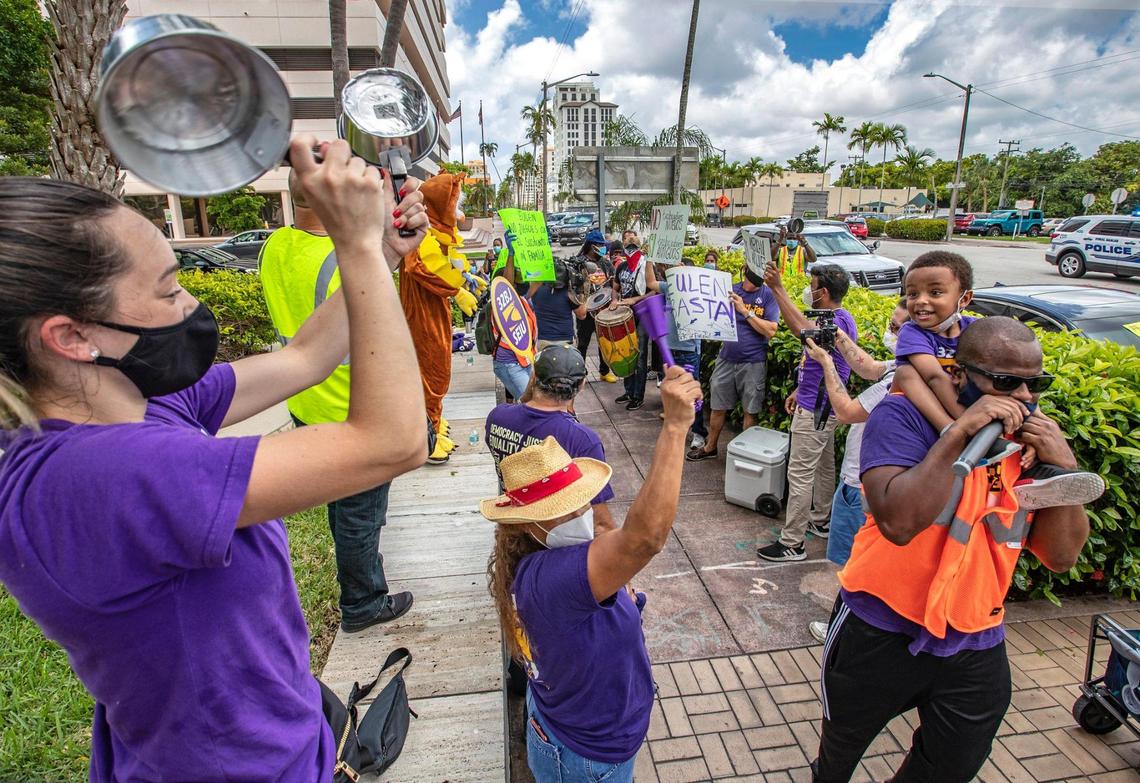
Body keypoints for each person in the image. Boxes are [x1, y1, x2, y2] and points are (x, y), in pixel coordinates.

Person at [0, 138, 429, 781]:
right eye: (170, 290)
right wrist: (361, 248)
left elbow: (303, 358)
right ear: (72, 336)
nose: (192, 309)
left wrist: (374, 251)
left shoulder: (136, 403)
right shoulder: (96, 477)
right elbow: (391, 442)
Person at [813, 316, 1098, 783]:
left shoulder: (1029, 446)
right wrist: (959, 433)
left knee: (951, 764)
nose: (1025, 398)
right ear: (959, 374)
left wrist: (1063, 463)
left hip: (975, 638)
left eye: (1035, 384)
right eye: (1007, 383)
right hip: (880, 626)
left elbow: (1061, 556)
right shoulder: (901, 415)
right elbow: (899, 523)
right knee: (840, 748)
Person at [480, 366, 703, 783]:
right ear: (530, 523)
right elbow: (644, 538)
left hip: (571, 728)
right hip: (585, 759)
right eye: (569, 507)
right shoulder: (554, 579)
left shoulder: (537, 556)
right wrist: (675, 427)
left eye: (582, 500)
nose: (584, 512)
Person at [260, 171, 414, 632]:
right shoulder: (344, 259)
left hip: (304, 403)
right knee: (362, 517)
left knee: (340, 503)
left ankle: (358, 576)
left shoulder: (276, 247)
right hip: (350, 409)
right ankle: (363, 602)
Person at [804, 298, 909, 643]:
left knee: (850, 563)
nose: (889, 332)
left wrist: (825, 362)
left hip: (860, 486)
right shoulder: (901, 368)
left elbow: (847, 411)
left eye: (895, 328)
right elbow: (869, 366)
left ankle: (842, 630)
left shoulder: (902, 382)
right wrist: (837, 339)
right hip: (860, 480)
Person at [759, 263, 856, 561]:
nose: (808, 291)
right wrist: (801, 387)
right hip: (821, 405)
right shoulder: (840, 318)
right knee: (824, 467)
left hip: (816, 410)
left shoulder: (834, 323)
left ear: (823, 292)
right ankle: (822, 519)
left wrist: (777, 289)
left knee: (800, 475)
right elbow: (828, 362)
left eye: (812, 286)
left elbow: (802, 331)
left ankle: (792, 543)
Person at [485, 345, 616, 533]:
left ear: (534, 377)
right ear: (582, 385)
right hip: (553, 540)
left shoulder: (497, 417)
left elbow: (524, 408)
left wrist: (529, 392)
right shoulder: (581, 439)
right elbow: (601, 524)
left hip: (510, 530)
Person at [685, 257, 779, 461]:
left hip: (753, 361)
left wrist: (745, 311)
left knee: (750, 410)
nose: (753, 280)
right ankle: (710, 447)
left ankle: (744, 455)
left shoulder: (768, 295)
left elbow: (771, 330)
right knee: (718, 405)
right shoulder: (731, 290)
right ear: (744, 269)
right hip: (726, 358)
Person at [892, 251, 977, 433]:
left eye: (935, 292)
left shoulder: (977, 330)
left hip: (970, 404)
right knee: (905, 373)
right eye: (913, 294)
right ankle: (948, 428)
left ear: (965, 299)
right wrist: (968, 423)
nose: (921, 301)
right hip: (937, 413)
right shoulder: (911, 331)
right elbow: (934, 377)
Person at [648, 257, 711, 446]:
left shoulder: (699, 291)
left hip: (688, 350)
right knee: (672, 392)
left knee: (691, 392)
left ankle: (699, 432)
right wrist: (650, 260)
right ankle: (676, 427)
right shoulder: (670, 288)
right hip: (669, 350)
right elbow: (651, 282)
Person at [490, 233, 539, 401]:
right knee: (531, 403)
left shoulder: (523, 302)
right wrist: (511, 255)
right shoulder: (500, 305)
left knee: (534, 402)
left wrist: (541, 252)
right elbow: (507, 284)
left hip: (526, 360)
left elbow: (539, 280)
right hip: (509, 363)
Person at [612, 242, 655, 410]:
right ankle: (629, 391)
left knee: (641, 354)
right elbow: (615, 287)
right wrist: (615, 299)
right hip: (625, 315)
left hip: (643, 314)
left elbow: (654, 290)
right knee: (626, 352)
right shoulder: (621, 266)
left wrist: (634, 300)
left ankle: (638, 396)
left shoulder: (646, 266)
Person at [573, 231, 618, 383]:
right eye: (600, 245)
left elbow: (613, 283)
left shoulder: (605, 263)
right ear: (592, 246)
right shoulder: (579, 262)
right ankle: (579, 372)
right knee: (583, 343)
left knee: (604, 342)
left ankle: (604, 371)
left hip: (603, 310)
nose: (603, 248)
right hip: (585, 310)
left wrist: (614, 299)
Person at [528, 258, 588, 351]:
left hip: (541, 341)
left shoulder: (535, 289)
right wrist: (582, 291)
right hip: (564, 342)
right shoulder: (569, 293)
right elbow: (582, 315)